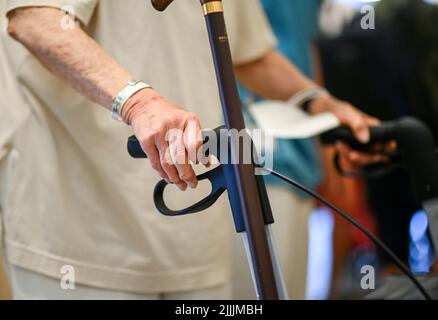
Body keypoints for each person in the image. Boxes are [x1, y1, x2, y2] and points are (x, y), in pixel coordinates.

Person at [1, 0, 375, 299]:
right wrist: (138, 103)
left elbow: (249, 52)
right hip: (85, 236)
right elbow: (34, 19)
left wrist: (319, 103)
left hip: (196, 231)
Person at [232, 0, 324, 299]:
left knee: (293, 290)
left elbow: (307, 45)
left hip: (303, 146)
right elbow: (243, 52)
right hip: (258, 147)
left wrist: (324, 124)